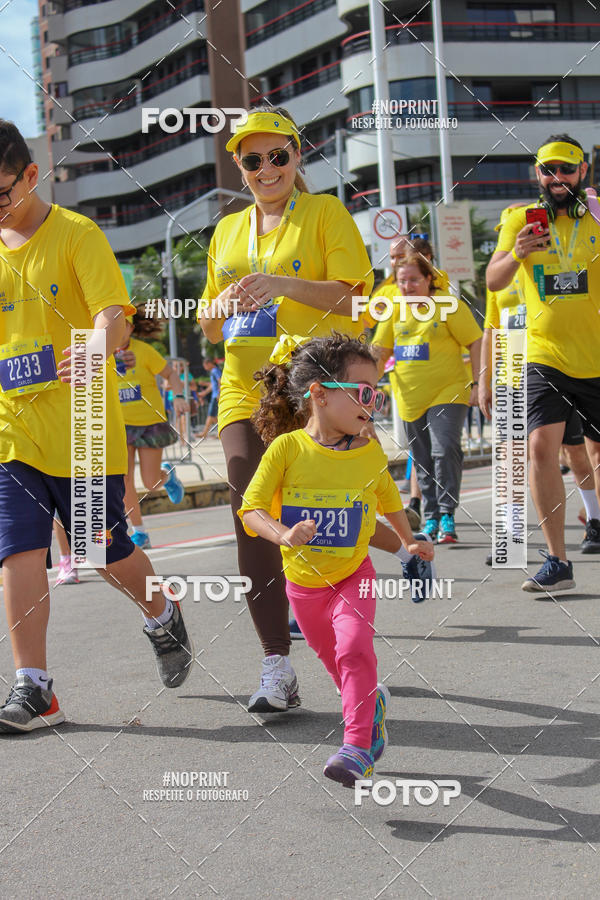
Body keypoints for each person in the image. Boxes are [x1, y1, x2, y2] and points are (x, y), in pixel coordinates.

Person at [0, 120, 192, 732]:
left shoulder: (76, 235)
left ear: (32, 176)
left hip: (83, 423)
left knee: (101, 551)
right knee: (18, 551)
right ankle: (36, 688)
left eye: (1, 192)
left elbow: (115, 316)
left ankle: (162, 612)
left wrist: (93, 346)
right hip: (13, 430)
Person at [198, 106, 379, 712]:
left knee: (316, 504)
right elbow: (204, 321)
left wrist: (280, 284)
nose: (267, 168)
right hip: (243, 387)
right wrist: (220, 303)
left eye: (279, 156)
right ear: (241, 168)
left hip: (309, 386)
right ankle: (276, 663)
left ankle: (337, 619)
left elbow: (356, 301)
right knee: (249, 504)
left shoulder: (326, 213)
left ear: (298, 157)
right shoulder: (226, 231)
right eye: (253, 160)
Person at [238, 333, 434, 786]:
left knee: (354, 650)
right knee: (338, 665)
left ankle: (357, 748)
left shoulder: (368, 454)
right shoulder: (286, 450)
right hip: (303, 588)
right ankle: (372, 708)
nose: (372, 402)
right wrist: (283, 534)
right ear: (320, 395)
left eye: (377, 392)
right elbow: (250, 510)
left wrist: (408, 543)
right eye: (363, 391)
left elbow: (389, 502)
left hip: (353, 576)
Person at [486, 134, 600, 592]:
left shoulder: (596, 214)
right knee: (539, 449)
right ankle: (558, 560)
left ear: (583, 172)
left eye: (566, 170)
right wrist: (517, 252)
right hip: (543, 355)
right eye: (548, 170)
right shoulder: (518, 219)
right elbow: (493, 282)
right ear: (537, 173)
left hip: (595, 354)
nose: (557, 179)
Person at [372, 254, 482, 543]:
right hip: (409, 395)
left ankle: (446, 513)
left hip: (448, 390)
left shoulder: (447, 305)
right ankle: (430, 515)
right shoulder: (394, 309)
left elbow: (475, 339)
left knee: (444, 449)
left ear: (429, 279)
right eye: (401, 281)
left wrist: (479, 382)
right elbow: (380, 351)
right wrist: (365, 386)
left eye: (413, 280)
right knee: (421, 458)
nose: (407, 286)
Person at [115, 311, 188, 549]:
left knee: (150, 483)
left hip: (149, 424)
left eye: (122, 324)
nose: (117, 328)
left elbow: (171, 375)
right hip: (120, 425)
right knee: (124, 482)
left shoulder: (144, 351)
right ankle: (140, 532)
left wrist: (177, 396)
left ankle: (166, 474)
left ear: (131, 329)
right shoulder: (102, 354)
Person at [197, 358, 221, 439]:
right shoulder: (214, 371)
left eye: (205, 365)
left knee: (210, 415)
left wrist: (219, 393)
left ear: (209, 363)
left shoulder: (215, 371)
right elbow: (212, 385)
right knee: (212, 416)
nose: (204, 367)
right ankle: (220, 431)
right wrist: (203, 393)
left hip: (216, 396)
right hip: (214, 395)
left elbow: (220, 381)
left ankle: (204, 433)